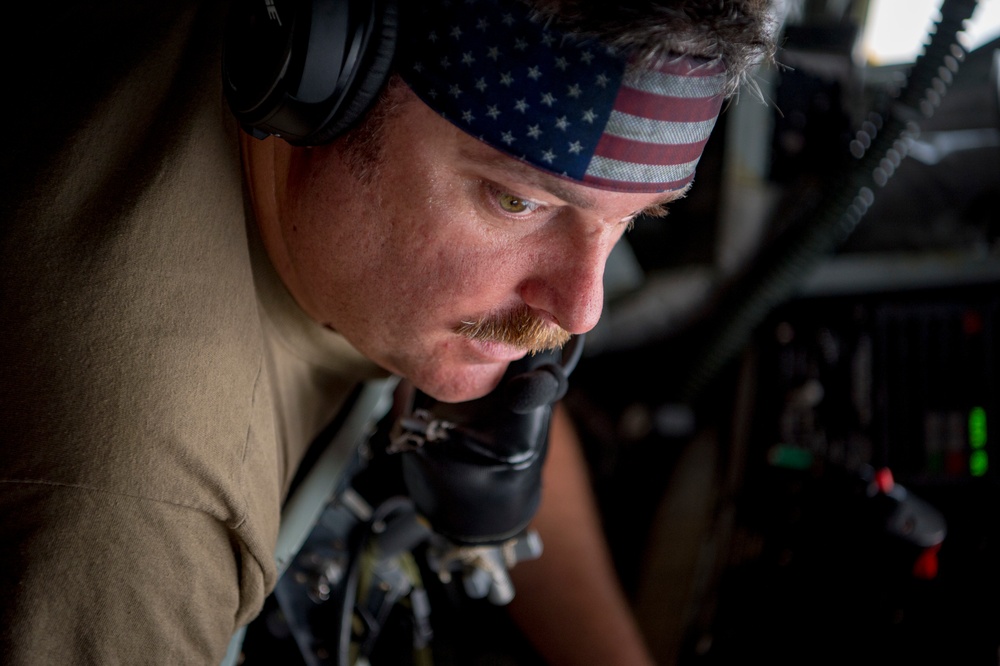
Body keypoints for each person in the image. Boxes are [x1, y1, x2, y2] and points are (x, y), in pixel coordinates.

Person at [0, 0, 774, 663]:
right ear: (324, 74)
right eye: (515, 204)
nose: (581, 309)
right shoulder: (136, 523)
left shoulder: (392, 262)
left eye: (631, 221)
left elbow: (504, 402)